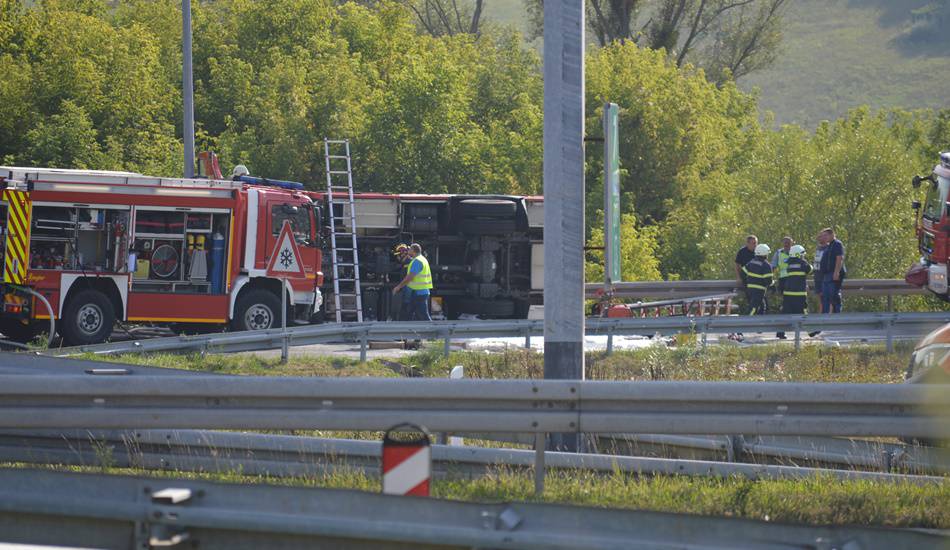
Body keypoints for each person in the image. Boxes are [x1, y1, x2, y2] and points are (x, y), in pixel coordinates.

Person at [776, 244, 812, 339]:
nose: (803, 256)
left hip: (788, 293)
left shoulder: (789, 263)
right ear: (798, 254)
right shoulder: (802, 263)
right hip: (799, 294)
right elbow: (810, 269)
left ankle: (780, 332)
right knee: (802, 313)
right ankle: (811, 331)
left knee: (786, 313)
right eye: (802, 254)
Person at [392, 243, 433, 321]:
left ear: (413, 251)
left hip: (419, 292)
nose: (408, 251)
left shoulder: (417, 261)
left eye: (410, 249)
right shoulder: (422, 259)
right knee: (411, 313)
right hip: (419, 292)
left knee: (422, 314)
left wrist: (398, 287)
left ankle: (432, 330)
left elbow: (410, 277)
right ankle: (407, 329)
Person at [741, 243, 773, 320]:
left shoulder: (752, 262)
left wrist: (747, 283)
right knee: (753, 308)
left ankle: (759, 325)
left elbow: (743, 273)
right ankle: (742, 324)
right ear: (765, 253)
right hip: (759, 290)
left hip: (750, 289)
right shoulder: (766, 265)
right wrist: (773, 285)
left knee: (762, 306)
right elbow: (768, 281)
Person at [818, 228, 846, 313]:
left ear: (832, 235)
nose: (824, 237)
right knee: (825, 297)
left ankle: (837, 316)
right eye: (823, 236)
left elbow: (839, 258)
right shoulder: (829, 246)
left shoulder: (837, 244)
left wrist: (836, 272)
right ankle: (825, 317)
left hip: (833, 274)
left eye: (826, 235)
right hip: (827, 275)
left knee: (834, 296)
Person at [392, 243, 413, 321]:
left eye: (399, 254)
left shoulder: (409, 262)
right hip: (406, 286)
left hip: (409, 286)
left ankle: (407, 320)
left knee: (407, 303)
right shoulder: (404, 263)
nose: (398, 257)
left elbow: (408, 277)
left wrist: (399, 287)